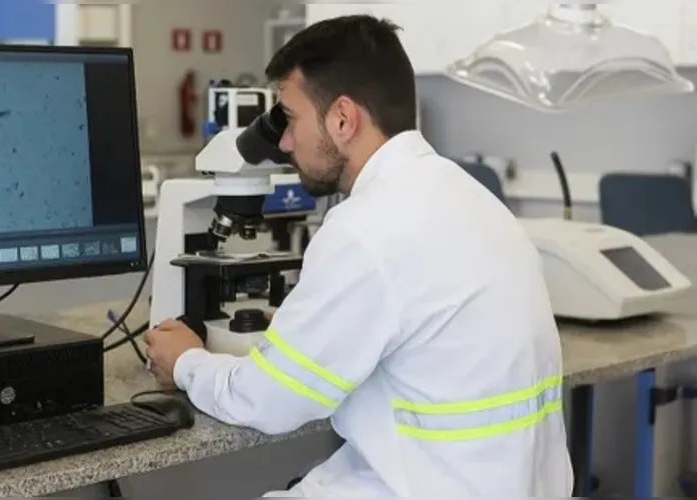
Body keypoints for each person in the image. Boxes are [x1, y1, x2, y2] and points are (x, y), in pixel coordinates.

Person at [143, 14, 573, 497]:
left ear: (343, 118)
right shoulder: (474, 199)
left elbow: (268, 401)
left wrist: (185, 363)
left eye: (290, 118)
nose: (283, 141)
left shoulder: (366, 229)